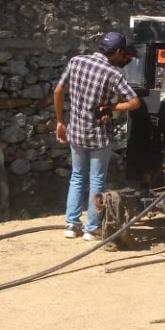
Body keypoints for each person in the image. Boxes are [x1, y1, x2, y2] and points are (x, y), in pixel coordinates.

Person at [54, 32, 141, 240]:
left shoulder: (76, 61)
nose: (124, 59)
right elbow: (135, 103)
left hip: (75, 132)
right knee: (97, 180)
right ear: (118, 52)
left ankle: (71, 225)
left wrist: (59, 121)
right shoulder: (112, 74)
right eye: (124, 55)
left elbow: (58, 91)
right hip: (98, 136)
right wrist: (111, 106)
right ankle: (92, 229)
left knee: (76, 177)